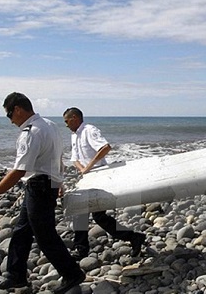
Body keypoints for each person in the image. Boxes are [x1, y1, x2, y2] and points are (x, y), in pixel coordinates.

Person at [0, 92, 85, 294]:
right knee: (22, 231)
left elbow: (19, 170)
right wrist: (58, 181)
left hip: (40, 186)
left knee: (45, 235)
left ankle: (72, 273)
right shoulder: (50, 125)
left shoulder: (31, 132)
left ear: (17, 109)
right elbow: (57, 157)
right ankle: (16, 275)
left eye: (9, 115)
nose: (10, 121)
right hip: (45, 183)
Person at [62, 107, 146, 259]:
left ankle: (82, 249)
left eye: (67, 121)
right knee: (91, 214)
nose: (66, 125)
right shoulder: (74, 136)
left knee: (93, 214)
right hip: (88, 178)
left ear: (74, 118)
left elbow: (105, 148)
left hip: (100, 176)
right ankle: (133, 238)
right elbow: (75, 159)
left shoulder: (89, 130)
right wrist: (82, 169)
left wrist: (89, 166)